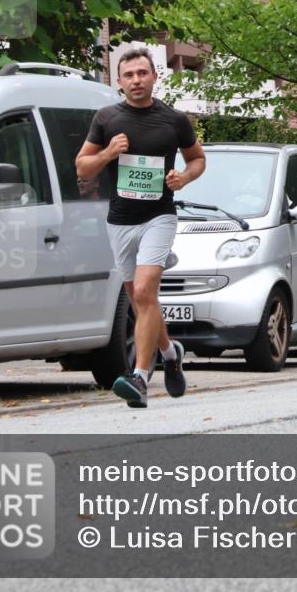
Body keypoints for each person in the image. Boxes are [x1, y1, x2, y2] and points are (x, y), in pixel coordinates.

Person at [75, 47, 206, 407]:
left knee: (146, 291)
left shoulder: (174, 120)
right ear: (119, 81)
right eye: (129, 75)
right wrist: (107, 154)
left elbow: (198, 159)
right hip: (120, 221)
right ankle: (171, 352)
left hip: (159, 217)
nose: (136, 80)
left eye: (142, 73)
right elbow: (82, 168)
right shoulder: (106, 118)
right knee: (139, 300)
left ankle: (140, 376)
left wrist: (184, 177)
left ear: (154, 77)